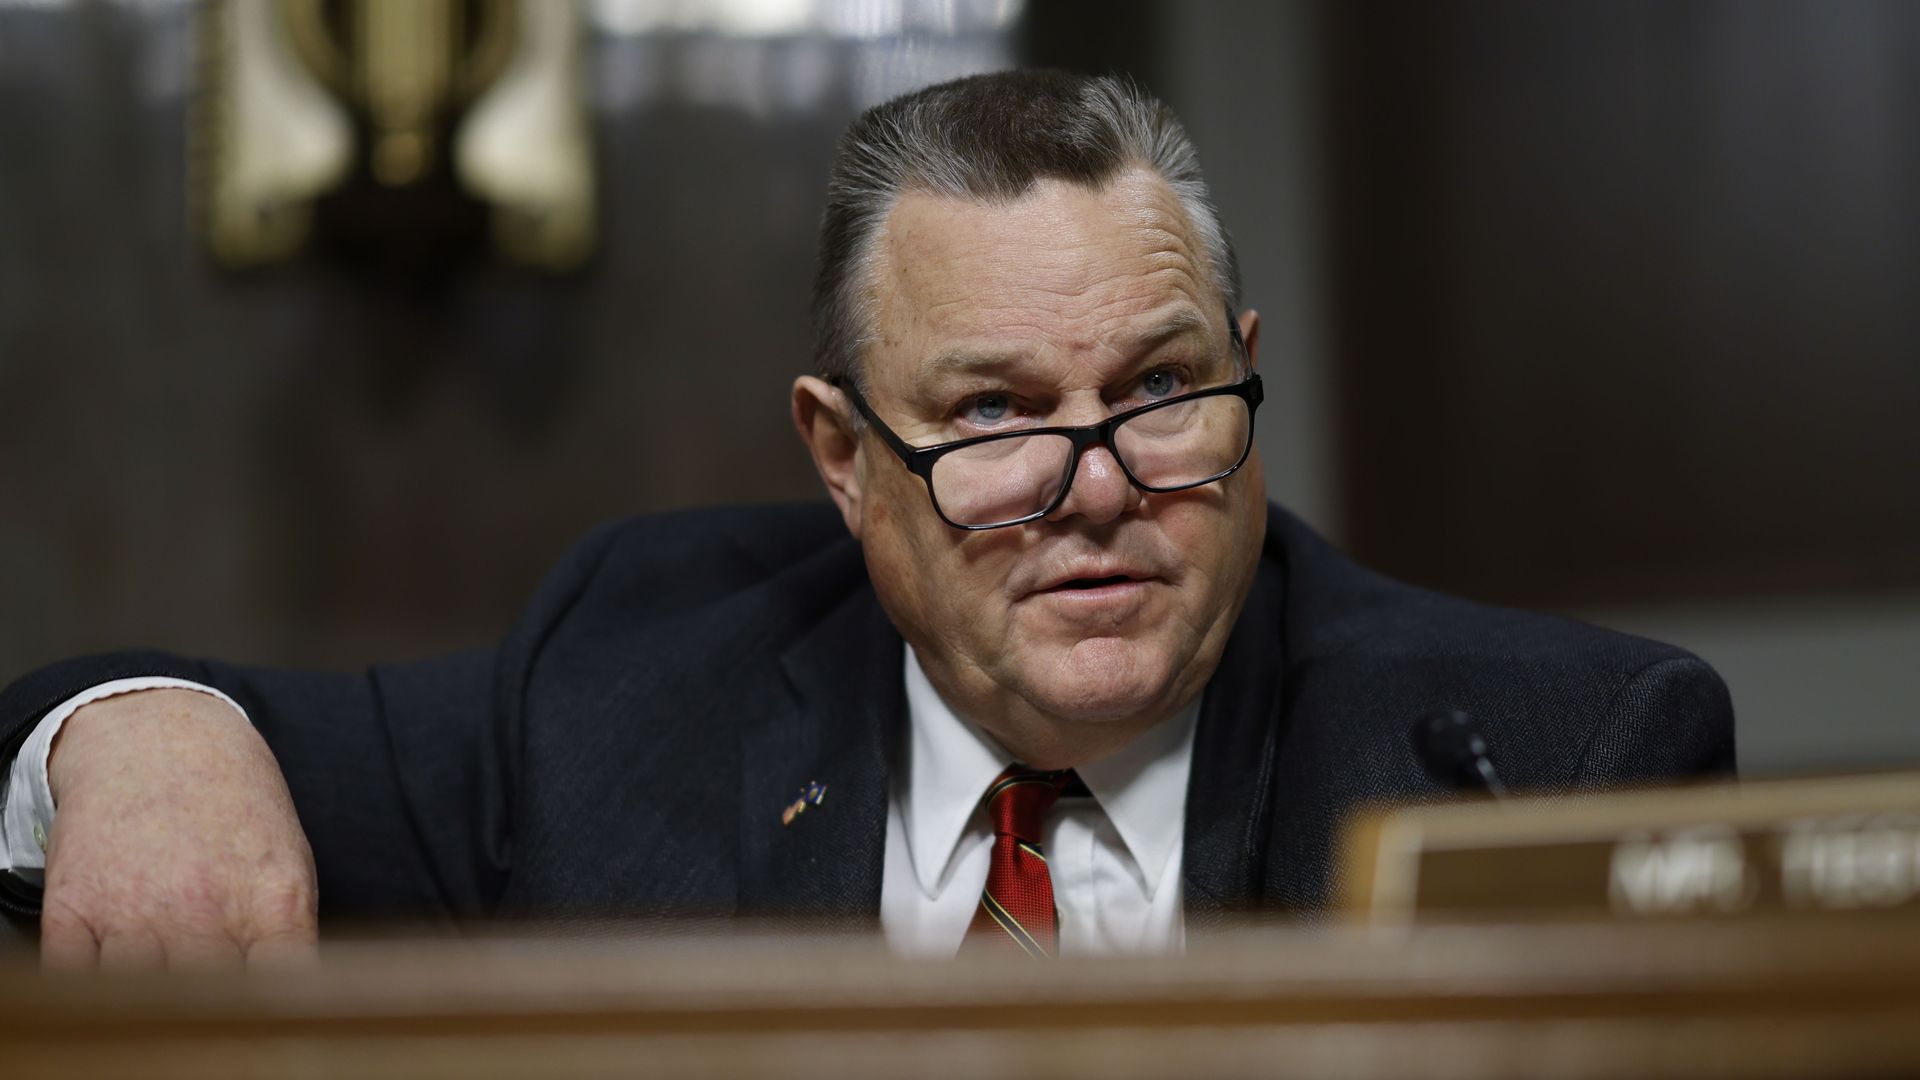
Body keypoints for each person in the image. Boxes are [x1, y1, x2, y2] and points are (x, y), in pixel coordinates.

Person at [0, 70, 1734, 967]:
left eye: (1161, 389)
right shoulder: (628, 679)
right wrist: (146, 736)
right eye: (991, 416)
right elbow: (102, 722)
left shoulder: (1554, 754)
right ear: (840, 456)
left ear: (1245, 371)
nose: (1102, 485)